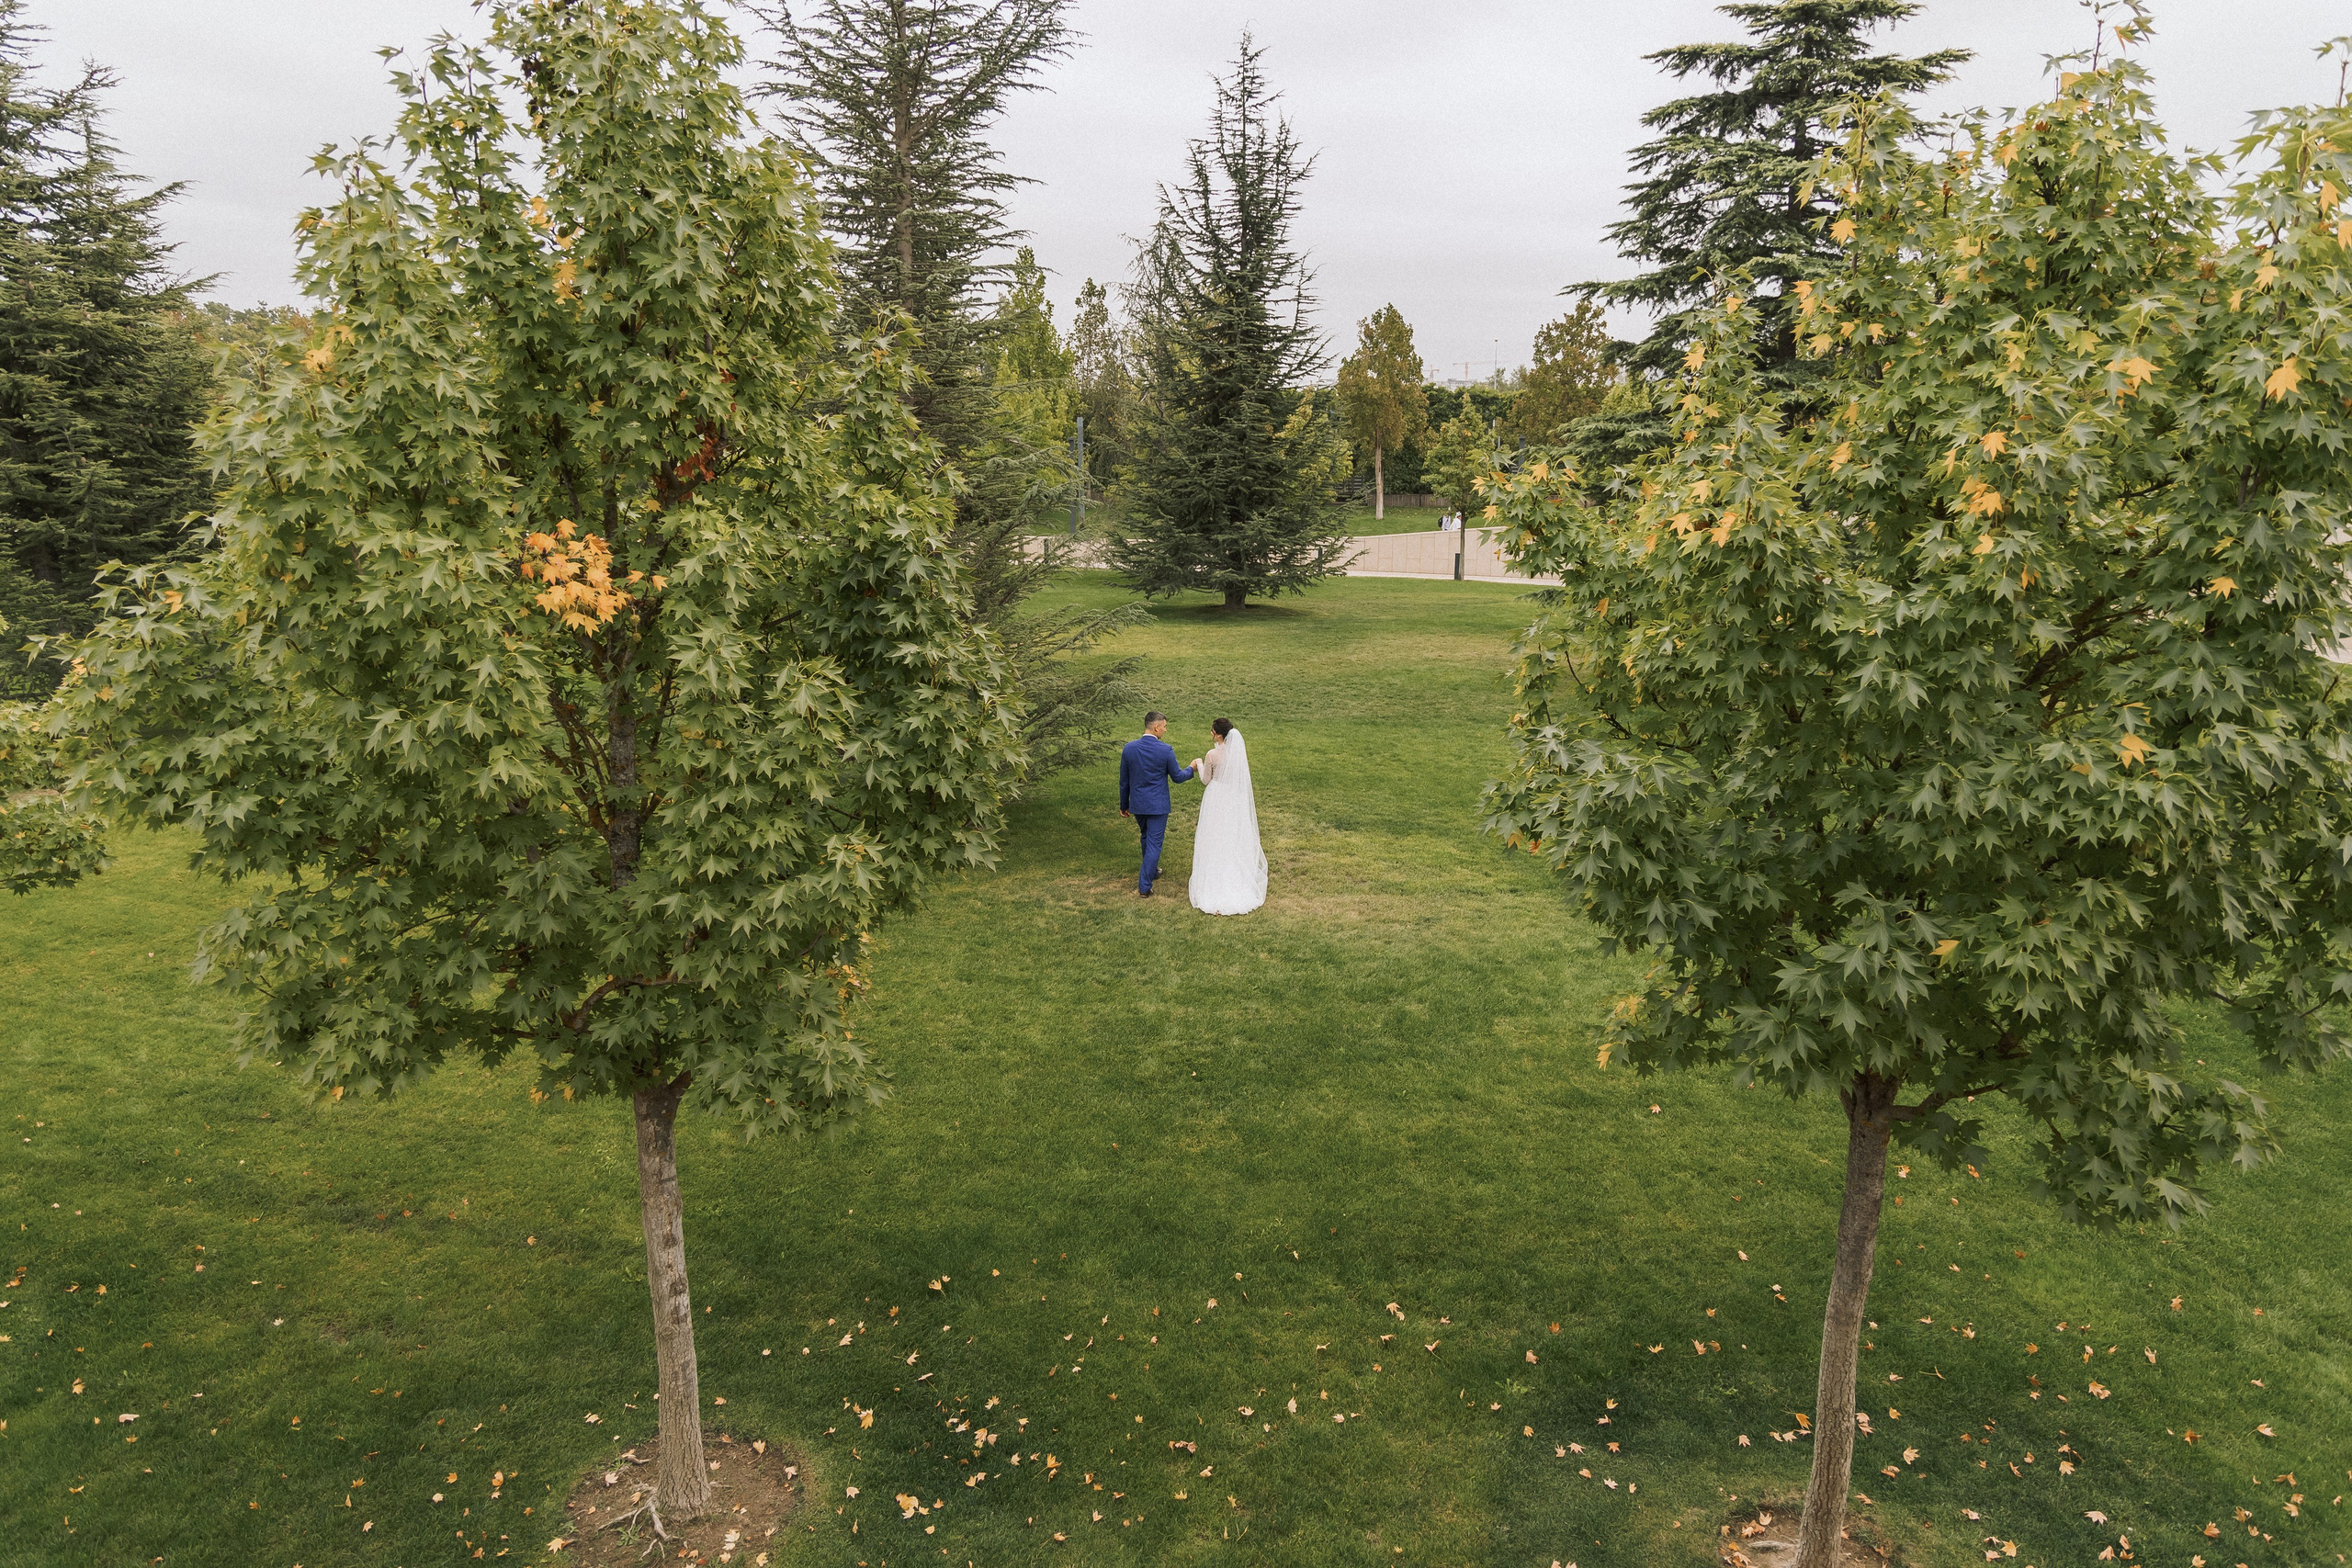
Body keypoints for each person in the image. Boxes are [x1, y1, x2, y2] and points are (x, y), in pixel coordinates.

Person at [1186, 717, 1266, 916]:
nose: (1211, 733)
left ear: (1218, 734)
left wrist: (1198, 763)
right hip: (1231, 799)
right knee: (1230, 836)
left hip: (1215, 799)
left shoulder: (1212, 754)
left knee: (1213, 836)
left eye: (1212, 730)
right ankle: (1234, 877)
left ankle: (1213, 879)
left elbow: (1206, 780)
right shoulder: (1236, 754)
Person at [1118, 711, 1196, 897]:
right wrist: (1191, 768)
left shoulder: (1129, 749)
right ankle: (1144, 886)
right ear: (1156, 727)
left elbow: (1124, 781)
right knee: (1154, 844)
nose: (1165, 730)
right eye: (1164, 726)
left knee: (1146, 837)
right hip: (1157, 806)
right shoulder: (1165, 750)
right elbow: (1177, 777)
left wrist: (1124, 805)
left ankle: (1152, 872)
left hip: (1138, 804)